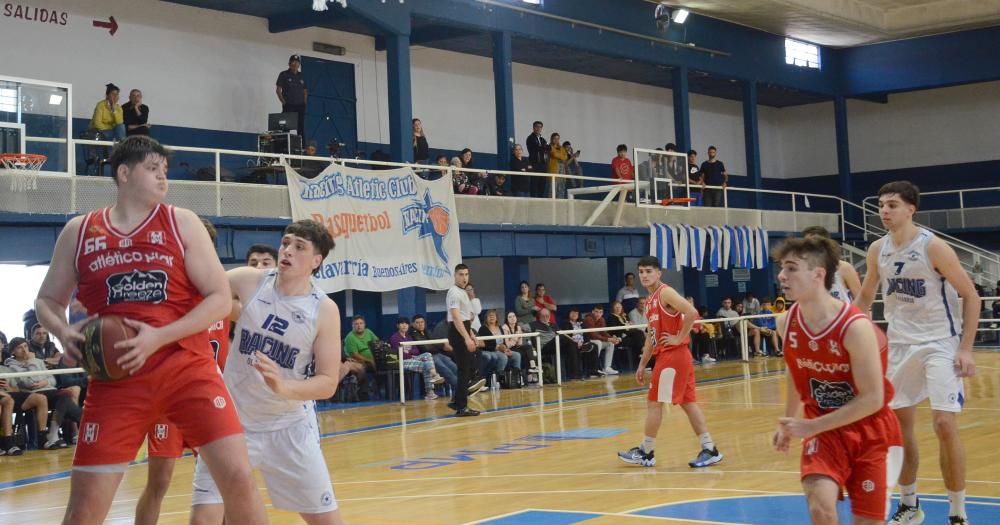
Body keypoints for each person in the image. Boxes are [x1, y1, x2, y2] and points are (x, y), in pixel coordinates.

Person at [33, 136, 267, 525]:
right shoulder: (79, 231)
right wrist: (62, 331)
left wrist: (158, 337)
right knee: (83, 510)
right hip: (116, 382)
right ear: (124, 173)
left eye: (165, 171)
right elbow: (47, 301)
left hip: (187, 372)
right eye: (153, 169)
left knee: (239, 480)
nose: (163, 178)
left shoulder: (182, 222)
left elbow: (219, 300)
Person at [189, 219, 344, 524]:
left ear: (316, 261)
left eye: (299, 247)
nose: (288, 250)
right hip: (232, 425)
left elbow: (327, 383)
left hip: (287, 427)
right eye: (286, 242)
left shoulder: (323, 310)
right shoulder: (250, 280)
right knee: (203, 519)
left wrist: (285, 387)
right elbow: (198, 285)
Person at [856, 181, 979, 525]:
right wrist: (846, 333)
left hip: (940, 342)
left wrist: (966, 349)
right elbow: (865, 298)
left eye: (892, 205)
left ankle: (957, 511)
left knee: (943, 423)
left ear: (912, 209)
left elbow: (971, 295)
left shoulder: (933, 247)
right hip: (899, 345)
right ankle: (909, 505)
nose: (884, 211)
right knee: (897, 429)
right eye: (881, 205)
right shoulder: (877, 249)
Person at [772, 235, 903, 525]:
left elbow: (872, 399)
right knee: (820, 505)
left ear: (818, 275)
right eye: (782, 267)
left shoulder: (855, 327)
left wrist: (810, 426)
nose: (782, 275)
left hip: (869, 430)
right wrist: (787, 422)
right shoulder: (786, 322)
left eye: (792, 268)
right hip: (824, 429)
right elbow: (795, 372)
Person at [134, 218, 234, 525]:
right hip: (170, 399)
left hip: (210, 397)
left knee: (227, 483)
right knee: (159, 481)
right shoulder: (159, 290)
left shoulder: (225, 291)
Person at [618, 256, 723, 468]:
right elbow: (651, 336)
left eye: (649, 271)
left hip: (673, 355)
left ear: (659, 273)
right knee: (688, 403)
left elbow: (691, 312)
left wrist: (678, 337)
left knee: (654, 403)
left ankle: (646, 451)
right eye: (641, 272)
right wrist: (642, 363)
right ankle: (709, 448)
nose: (644, 275)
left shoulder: (664, 292)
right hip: (673, 356)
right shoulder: (648, 302)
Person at [447, 264, 480, 416]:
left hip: (464, 330)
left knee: (468, 367)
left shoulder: (463, 292)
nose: (464, 278)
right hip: (457, 332)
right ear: (455, 275)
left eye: (466, 274)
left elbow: (466, 317)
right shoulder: (453, 292)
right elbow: (456, 317)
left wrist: (471, 334)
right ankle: (461, 406)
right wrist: (466, 338)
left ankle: (457, 401)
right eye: (461, 274)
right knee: (465, 369)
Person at [802, 225, 862, 305]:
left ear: (825, 244)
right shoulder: (805, 271)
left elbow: (862, 301)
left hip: (843, 316)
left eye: (813, 243)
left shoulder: (844, 268)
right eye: (807, 244)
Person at [390, 317, 445, 401]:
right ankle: (430, 391)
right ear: (398, 325)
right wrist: (410, 354)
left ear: (408, 325)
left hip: (412, 358)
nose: (404, 325)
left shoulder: (408, 337)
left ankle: (434, 375)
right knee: (426, 365)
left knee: (427, 354)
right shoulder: (394, 337)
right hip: (402, 361)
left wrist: (409, 352)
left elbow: (416, 351)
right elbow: (400, 354)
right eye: (402, 323)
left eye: (406, 323)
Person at [478, 310, 521, 385]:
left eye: (493, 315)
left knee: (517, 355)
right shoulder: (483, 329)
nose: (492, 316)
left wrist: (506, 349)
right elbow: (485, 345)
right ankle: (499, 380)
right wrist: (497, 348)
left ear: (497, 318)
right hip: (491, 350)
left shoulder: (500, 327)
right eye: (489, 315)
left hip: (501, 349)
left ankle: (516, 378)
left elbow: (503, 342)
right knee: (503, 357)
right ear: (486, 318)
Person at [583, 305, 620, 375]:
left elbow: (603, 332)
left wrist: (612, 338)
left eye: (600, 312)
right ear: (592, 311)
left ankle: (607, 367)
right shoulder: (588, 319)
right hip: (588, 341)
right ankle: (594, 368)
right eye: (596, 312)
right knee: (598, 342)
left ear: (602, 313)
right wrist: (608, 339)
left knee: (610, 343)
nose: (598, 314)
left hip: (597, 340)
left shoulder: (602, 319)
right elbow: (593, 335)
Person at [276, 54, 307, 138]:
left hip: (300, 106)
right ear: (289, 64)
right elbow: (278, 90)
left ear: (299, 64)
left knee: (301, 128)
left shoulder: (302, 76)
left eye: (297, 62)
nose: (295, 64)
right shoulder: (283, 74)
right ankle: (284, 148)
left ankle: (302, 149)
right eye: (293, 62)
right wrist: (284, 102)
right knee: (286, 127)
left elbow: (305, 90)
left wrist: (304, 103)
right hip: (289, 105)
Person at [525, 121, 547, 197]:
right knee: (534, 185)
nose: (538, 128)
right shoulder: (530, 138)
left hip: (543, 165)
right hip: (534, 165)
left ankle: (541, 203)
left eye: (540, 127)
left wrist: (543, 147)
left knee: (542, 185)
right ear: (533, 127)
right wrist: (542, 147)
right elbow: (534, 149)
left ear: (541, 128)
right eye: (537, 126)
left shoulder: (543, 139)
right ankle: (533, 203)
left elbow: (548, 148)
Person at [547, 133, 568, 198]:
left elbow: (566, 157)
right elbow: (554, 154)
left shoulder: (562, 148)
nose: (556, 140)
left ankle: (560, 206)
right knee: (552, 189)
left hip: (562, 171)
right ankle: (551, 206)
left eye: (558, 138)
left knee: (561, 188)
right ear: (551, 139)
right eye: (555, 138)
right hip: (554, 170)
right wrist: (561, 156)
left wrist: (559, 155)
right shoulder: (550, 147)